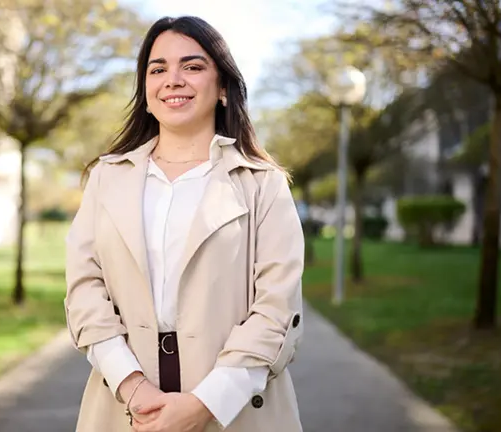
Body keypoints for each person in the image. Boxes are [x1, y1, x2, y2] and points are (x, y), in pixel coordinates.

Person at [64, 15, 304, 432]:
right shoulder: (106, 178)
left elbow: (276, 307)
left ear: (224, 88)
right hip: (125, 411)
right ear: (146, 91)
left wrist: (206, 404)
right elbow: (85, 289)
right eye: (158, 69)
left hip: (238, 411)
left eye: (192, 67)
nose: (172, 79)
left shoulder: (263, 184)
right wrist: (133, 386)